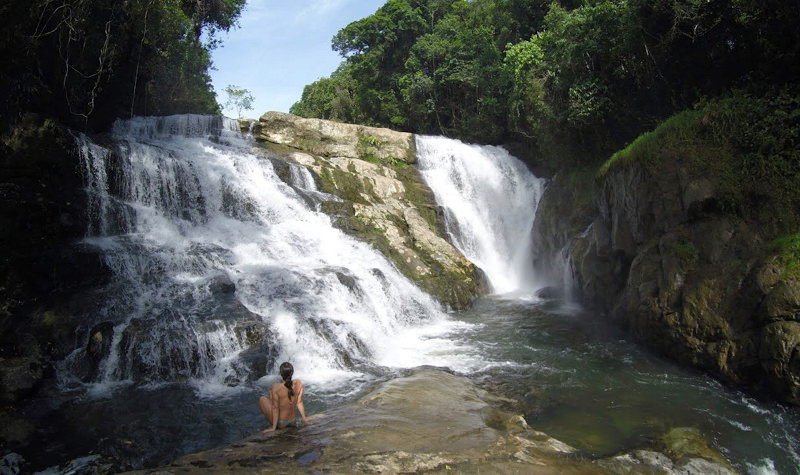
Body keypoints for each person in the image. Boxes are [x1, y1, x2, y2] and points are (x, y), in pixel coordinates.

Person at [259, 361, 309, 432]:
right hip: (293, 421)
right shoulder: (298, 383)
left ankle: (275, 425)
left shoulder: (276, 387)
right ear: (292, 373)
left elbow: (275, 408)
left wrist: (273, 428)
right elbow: (299, 402)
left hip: (281, 424)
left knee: (262, 399)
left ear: (281, 374)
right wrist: (304, 418)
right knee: (272, 394)